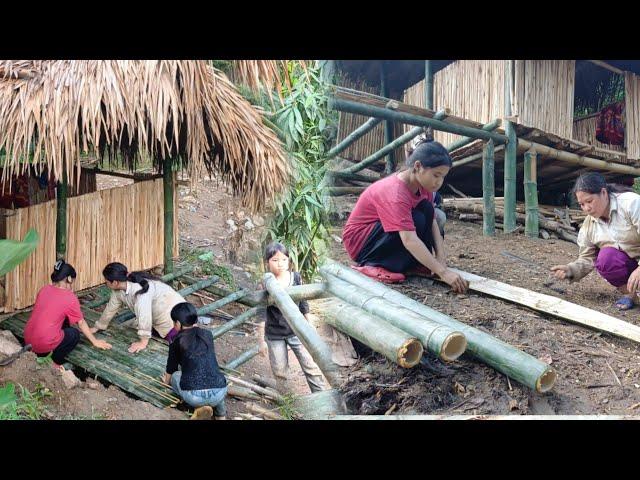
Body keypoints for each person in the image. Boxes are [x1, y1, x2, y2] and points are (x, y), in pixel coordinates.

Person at [342, 139, 468, 292]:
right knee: (416, 219)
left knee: (427, 210)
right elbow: (409, 240)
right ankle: (372, 265)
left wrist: (441, 259)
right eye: (436, 175)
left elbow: (432, 222)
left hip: (384, 234)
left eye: (443, 177)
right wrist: (444, 273)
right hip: (361, 243)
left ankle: (412, 263)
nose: (439, 182)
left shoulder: (424, 186)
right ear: (417, 166)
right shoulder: (396, 192)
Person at [551, 172, 640, 310]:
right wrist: (571, 269)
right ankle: (632, 294)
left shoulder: (631, 204)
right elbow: (587, 258)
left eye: (589, 201)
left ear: (603, 193)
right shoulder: (589, 225)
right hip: (632, 264)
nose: (586, 208)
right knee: (606, 258)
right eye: (581, 204)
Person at [258, 242, 329, 394]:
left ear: (289, 261)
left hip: (297, 329)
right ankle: (287, 403)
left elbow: (303, 303)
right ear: (267, 263)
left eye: (284, 260)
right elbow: (261, 313)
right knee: (280, 371)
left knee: (311, 366)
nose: (280, 264)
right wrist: (261, 340)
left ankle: (322, 395)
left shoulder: (295, 277)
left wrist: (310, 325)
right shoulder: (265, 284)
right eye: (275, 260)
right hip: (274, 333)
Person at [24, 260, 112, 370]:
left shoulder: (44, 289)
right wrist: (95, 341)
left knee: (62, 319)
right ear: (69, 279)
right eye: (72, 281)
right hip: (43, 345)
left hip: (28, 340)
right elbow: (81, 322)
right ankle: (55, 362)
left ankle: (46, 350)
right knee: (74, 334)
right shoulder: (69, 297)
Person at [90, 262, 185, 353]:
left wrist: (143, 342)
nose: (105, 284)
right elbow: (111, 308)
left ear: (114, 282)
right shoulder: (119, 289)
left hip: (174, 318)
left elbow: (144, 315)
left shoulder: (140, 291)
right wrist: (98, 326)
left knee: (176, 348)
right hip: (164, 315)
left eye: (106, 281)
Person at [163, 302, 227, 421]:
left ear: (177, 323)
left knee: (176, 376)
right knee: (216, 377)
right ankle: (221, 415)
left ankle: (198, 407)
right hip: (219, 393)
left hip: (194, 397)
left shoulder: (176, 341)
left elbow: (171, 369)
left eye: (174, 322)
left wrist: (166, 382)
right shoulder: (208, 335)